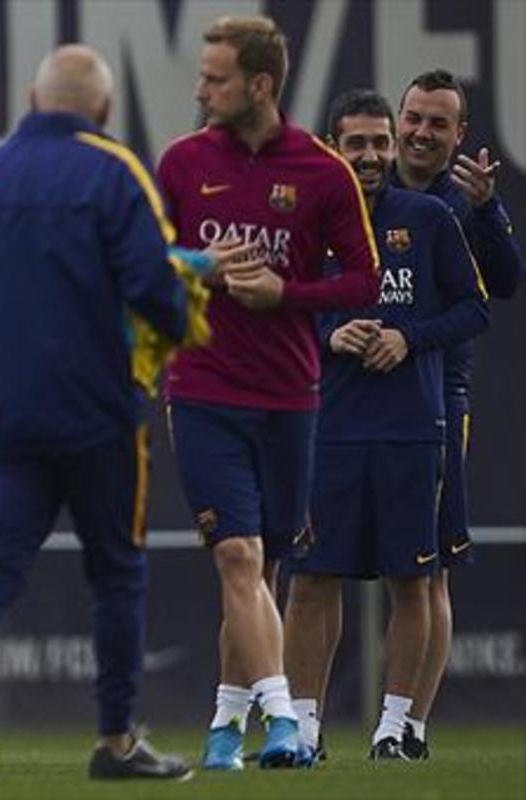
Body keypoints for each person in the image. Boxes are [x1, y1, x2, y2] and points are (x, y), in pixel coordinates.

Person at [0, 44, 205, 784]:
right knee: (116, 573)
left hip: (5, 413)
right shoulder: (115, 169)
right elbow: (154, 289)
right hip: (99, 412)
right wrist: (182, 308)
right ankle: (115, 741)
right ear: (101, 109)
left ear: (35, 102)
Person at [156, 16, 380, 770]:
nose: (200, 89)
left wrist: (285, 292)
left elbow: (364, 279)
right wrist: (199, 264)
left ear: (260, 84)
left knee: (261, 570)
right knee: (238, 558)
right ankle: (285, 722)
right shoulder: (183, 162)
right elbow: (145, 260)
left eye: (215, 78)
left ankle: (224, 727)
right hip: (203, 388)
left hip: (291, 395)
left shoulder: (323, 172)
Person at [283, 88, 490, 760]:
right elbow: (275, 310)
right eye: (357, 144)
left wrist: (409, 339)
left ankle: (394, 729)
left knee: (413, 580)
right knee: (312, 579)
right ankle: (304, 729)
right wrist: (329, 334)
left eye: (379, 142)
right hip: (328, 429)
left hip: (411, 427)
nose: (370, 155)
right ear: (331, 148)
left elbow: (474, 310)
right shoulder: (307, 227)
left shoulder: (428, 217)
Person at [389, 69, 523, 759]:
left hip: (441, 399)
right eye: (413, 117)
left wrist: (492, 210)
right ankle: (311, 719)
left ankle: (410, 723)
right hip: (362, 397)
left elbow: (503, 284)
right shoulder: (368, 191)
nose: (421, 132)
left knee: (429, 566)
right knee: (320, 564)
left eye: (438, 123)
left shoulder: (466, 202)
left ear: (459, 134)